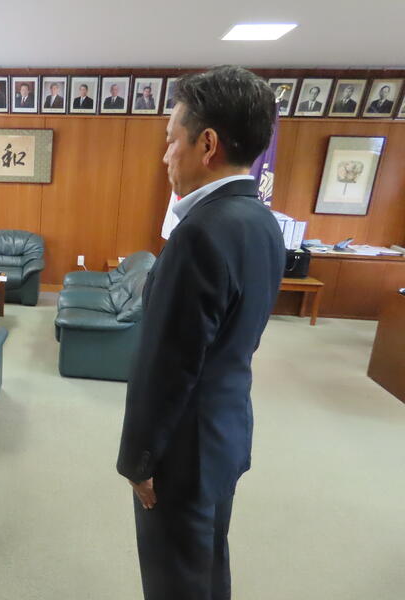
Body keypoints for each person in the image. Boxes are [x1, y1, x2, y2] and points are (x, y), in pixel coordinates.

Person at [117, 65, 285, 600]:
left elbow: (166, 364)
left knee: (175, 578)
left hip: (182, 449)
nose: (166, 154)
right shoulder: (261, 220)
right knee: (207, 561)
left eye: (171, 139)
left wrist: (139, 461)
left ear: (207, 144)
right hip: (224, 430)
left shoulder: (199, 234)